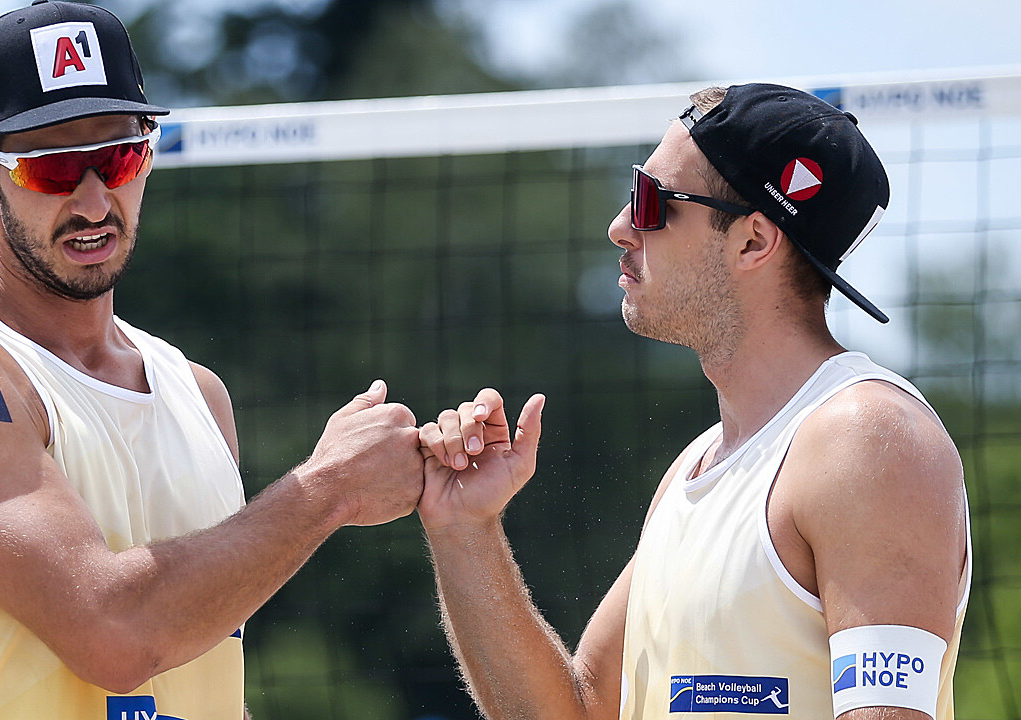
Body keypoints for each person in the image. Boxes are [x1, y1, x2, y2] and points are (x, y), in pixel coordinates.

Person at [0, 2, 424, 718]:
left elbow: (203, 662)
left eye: (119, 156)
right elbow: (115, 638)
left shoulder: (197, 391)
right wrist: (329, 488)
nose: (95, 201)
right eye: (54, 167)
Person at [416, 84, 971, 720]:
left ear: (753, 242)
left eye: (652, 201)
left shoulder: (867, 441)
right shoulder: (696, 468)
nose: (621, 225)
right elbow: (569, 713)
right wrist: (466, 530)